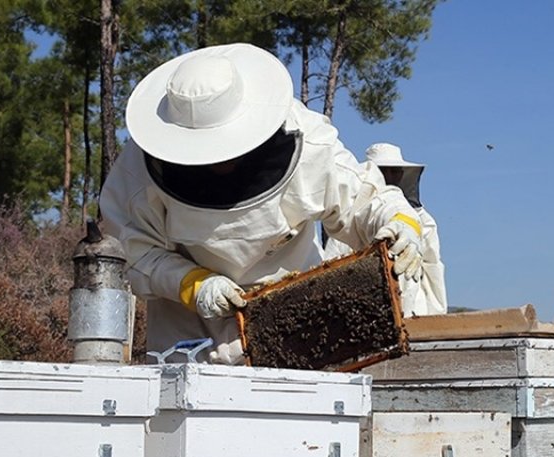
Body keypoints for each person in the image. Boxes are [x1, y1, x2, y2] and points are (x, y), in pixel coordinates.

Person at [99, 43, 424, 363]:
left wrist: (401, 222)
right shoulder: (137, 172)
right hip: (188, 330)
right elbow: (133, 251)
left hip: (299, 318)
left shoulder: (309, 144)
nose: (218, 160)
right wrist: (191, 284)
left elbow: (363, 200)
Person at [324, 142, 447, 316]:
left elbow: (432, 269)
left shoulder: (424, 222)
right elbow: (329, 271)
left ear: (401, 174)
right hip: (363, 313)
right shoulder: (350, 223)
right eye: (382, 171)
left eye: (394, 170)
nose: (389, 176)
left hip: (415, 312)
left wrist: (436, 319)